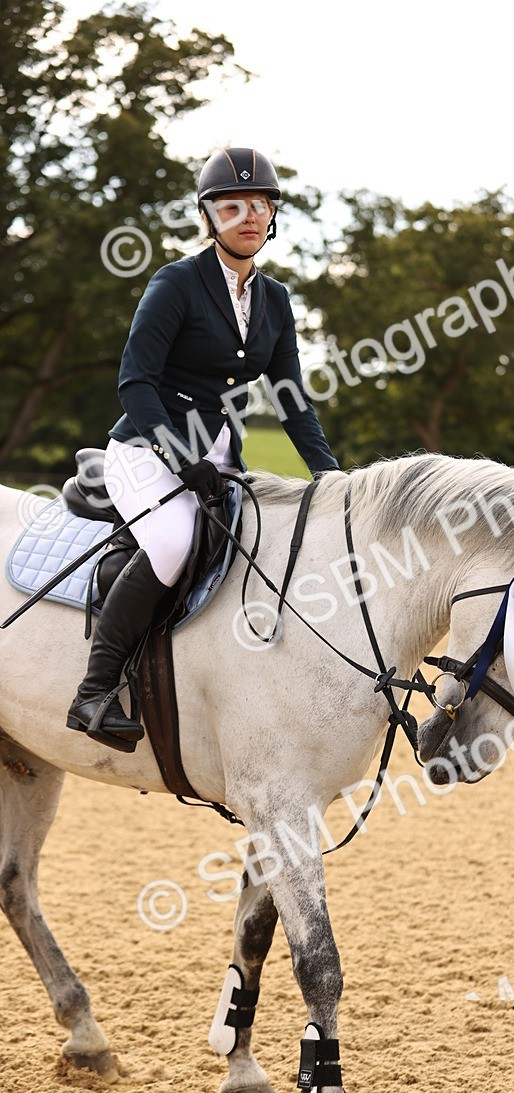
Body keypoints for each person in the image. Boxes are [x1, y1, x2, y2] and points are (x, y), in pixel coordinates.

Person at [67, 147, 339, 751]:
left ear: (272, 216)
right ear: (209, 216)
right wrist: (176, 454)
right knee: (172, 542)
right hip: (145, 451)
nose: (248, 215)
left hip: (219, 463)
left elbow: (291, 399)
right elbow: (135, 381)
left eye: (260, 205)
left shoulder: (275, 301)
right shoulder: (176, 283)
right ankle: (93, 692)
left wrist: (331, 474)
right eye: (232, 206)